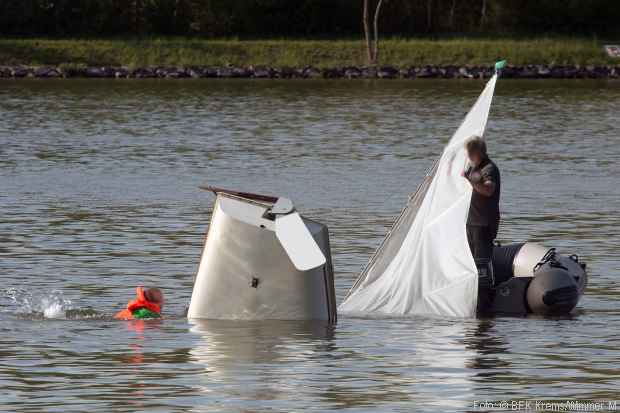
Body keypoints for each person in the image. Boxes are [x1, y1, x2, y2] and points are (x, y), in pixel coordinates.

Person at [463, 136, 501, 314]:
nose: (468, 157)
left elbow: (488, 189)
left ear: (478, 152)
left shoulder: (489, 169)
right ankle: (472, 302)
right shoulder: (474, 168)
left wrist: (469, 180)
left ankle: (484, 307)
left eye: (470, 153)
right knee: (470, 264)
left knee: (481, 266)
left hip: (484, 224)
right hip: (471, 223)